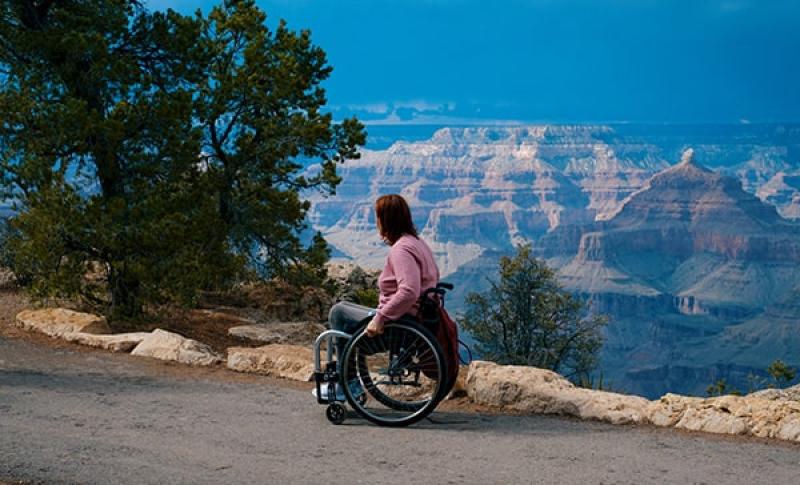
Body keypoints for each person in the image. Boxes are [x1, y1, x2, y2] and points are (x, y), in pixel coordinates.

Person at [317, 194, 441, 400]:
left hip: (398, 324)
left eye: (377, 217)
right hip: (414, 318)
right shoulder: (417, 243)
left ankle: (347, 383)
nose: (375, 222)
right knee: (345, 307)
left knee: (338, 312)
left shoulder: (401, 250)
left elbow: (409, 290)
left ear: (386, 220)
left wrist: (380, 317)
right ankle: (347, 379)